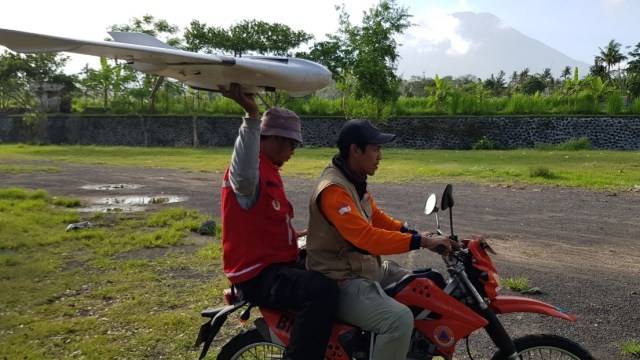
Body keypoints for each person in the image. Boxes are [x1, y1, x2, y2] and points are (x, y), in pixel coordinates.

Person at [305, 119, 457, 360]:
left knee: (425, 284)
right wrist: (421, 243)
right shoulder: (334, 190)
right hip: (340, 279)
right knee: (398, 320)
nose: (380, 156)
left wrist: (414, 234)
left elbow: (376, 218)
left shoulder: (354, 180)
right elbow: (366, 239)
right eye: (375, 149)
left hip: (364, 269)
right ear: (356, 150)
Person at [218, 83, 339, 360]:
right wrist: (251, 115)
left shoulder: (269, 169)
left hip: (275, 263)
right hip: (258, 275)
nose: (293, 151)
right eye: (292, 144)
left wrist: (302, 237)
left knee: (334, 266)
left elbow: (266, 224)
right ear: (273, 139)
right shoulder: (250, 173)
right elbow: (243, 174)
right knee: (323, 292)